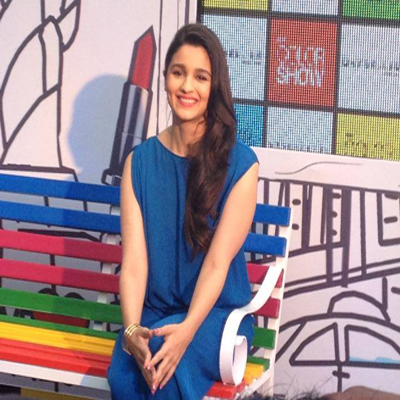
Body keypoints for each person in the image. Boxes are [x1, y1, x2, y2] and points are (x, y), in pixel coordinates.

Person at [107, 23, 259, 399]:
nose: (187, 86)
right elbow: (134, 264)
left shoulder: (241, 165)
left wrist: (188, 329)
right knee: (124, 375)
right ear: (165, 78)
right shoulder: (139, 163)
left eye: (200, 77)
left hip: (216, 318)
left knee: (165, 371)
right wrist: (132, 330)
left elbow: (217, 264)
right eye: (178, 73)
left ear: (215, 86)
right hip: (155, 315)